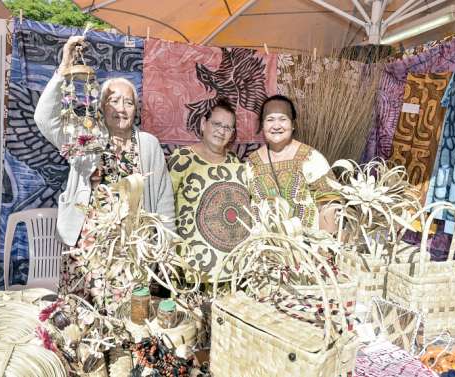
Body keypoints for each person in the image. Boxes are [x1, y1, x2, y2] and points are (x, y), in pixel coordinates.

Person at [34, 36, 175, 294]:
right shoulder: (85, 138)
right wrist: (64, 68)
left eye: (129, 102)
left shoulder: (148, 144)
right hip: (87, 244)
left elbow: (163, 198)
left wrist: (166, 248)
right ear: (101, 106)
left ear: (136, 110)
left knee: (127, 318)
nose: (121, 108)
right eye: (114, 100)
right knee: (82, 316)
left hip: (133, 247)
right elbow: (44, 119)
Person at [168, 99, 250, 282]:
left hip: (230, 266)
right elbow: (166, 206)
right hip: (191, 262)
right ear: (204, 124)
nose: (221, 131)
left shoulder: (236, 163)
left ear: (232, 134)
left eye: (228, 128)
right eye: (217, 124)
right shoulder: (182, 159)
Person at [246, 94, 336, 233]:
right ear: (262, 125)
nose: (276, 125)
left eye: (283, 119)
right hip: (265, 249)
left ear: (293, 124)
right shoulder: (252, 162)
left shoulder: (311, 158)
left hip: (307, 249)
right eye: (270, 119)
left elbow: (329, 205)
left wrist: (326, 249)